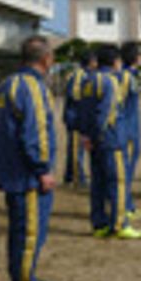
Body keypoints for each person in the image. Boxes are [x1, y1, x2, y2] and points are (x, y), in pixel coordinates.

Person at [0, 35, 59, 281]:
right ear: (45, 59)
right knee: (29, 233)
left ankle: (23, 278)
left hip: (10, 170)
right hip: (27, 175)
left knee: (19, 232)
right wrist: (42, 169)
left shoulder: (7, 84)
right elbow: (36, 134)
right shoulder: (32, 87)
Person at [83, 45, 141, 240]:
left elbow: (85, 111)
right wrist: (99, 134)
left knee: (98, 183)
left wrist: (87, 135)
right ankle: (119, 224)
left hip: (93, 140)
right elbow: (106, 112)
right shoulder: (109, 82)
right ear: (115, 61)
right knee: (117, 181)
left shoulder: (88, 80)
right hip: (111, 138)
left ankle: (99, 223)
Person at [119, 41, 141, 219]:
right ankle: (124, 206)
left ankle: (127, 204)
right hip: (127, 129)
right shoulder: (125, 76)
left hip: (132, 127)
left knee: (129, 169)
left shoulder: (132, 75)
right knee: (125, 170)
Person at [62, 51, 94, 187]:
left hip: (80, 117)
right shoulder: (79, 75)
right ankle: (77, 178)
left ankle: (69, 176)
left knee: (75, 148)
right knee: (76, 149)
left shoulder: (87, 75)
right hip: (75, 118)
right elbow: (75, 95)